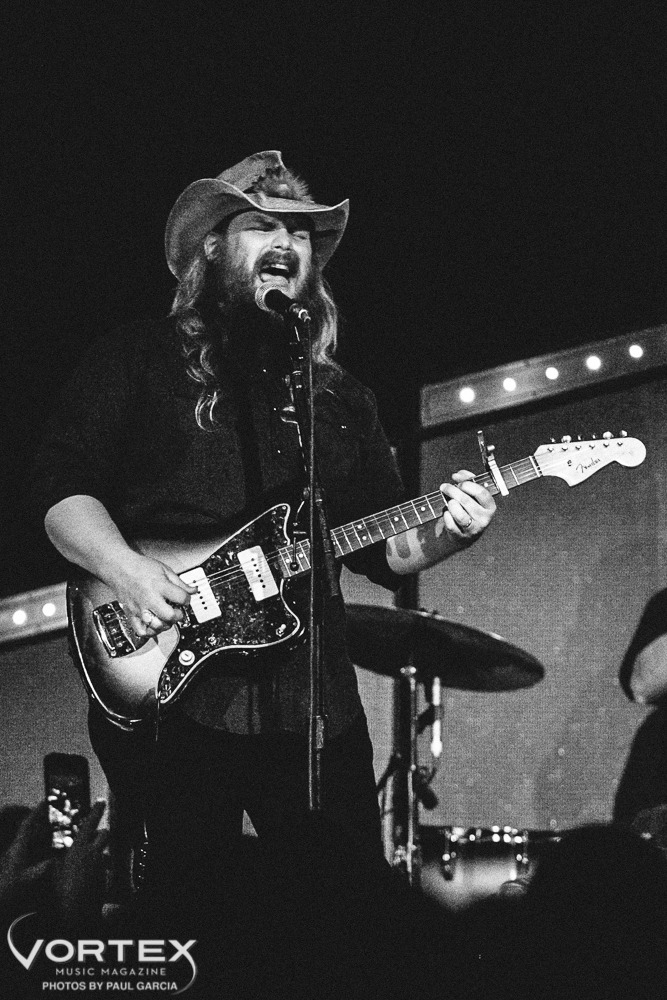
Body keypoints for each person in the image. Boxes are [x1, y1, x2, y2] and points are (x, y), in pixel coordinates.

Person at [29, 150, 496, 921]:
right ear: (213, 247)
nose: (287, 241)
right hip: (174, 690)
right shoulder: (137, 358)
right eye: (261, 225)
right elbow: (57, 488)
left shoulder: (339, 397)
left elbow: (385, 549)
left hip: (315, 701)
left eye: (302, 234)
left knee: (349, 920)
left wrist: (452, 530)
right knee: (182, 916)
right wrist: (127, 571)